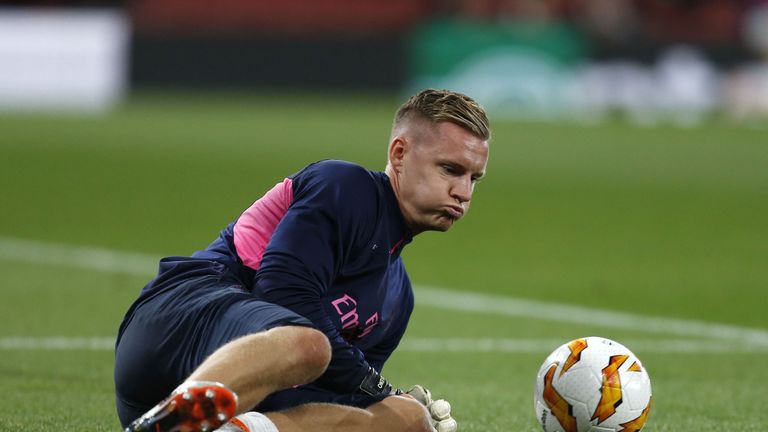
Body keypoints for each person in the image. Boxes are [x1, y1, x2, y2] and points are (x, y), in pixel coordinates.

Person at [114, 88, 491, 432]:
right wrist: (376, 387)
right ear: (399, 153)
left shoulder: (398, 299)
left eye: (474, 179)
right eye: (450, 170)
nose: (463, 192)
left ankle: (210, 428)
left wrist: (390, 404)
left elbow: (328, 398)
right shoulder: (346, 187)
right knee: (309, 346)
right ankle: (181, 415)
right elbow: (281, 292)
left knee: (408, 421)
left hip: (229, 387)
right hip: (179, 319)